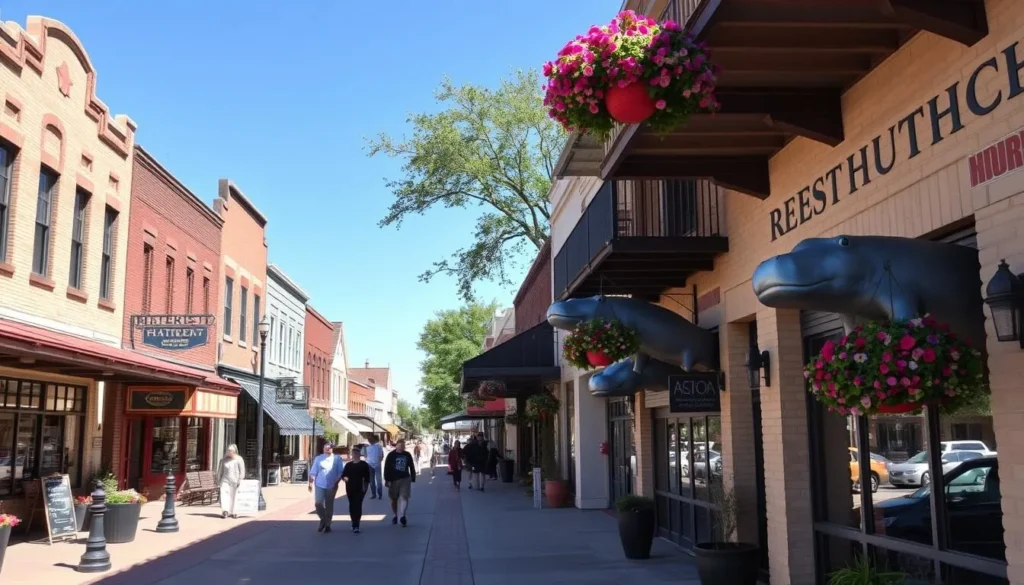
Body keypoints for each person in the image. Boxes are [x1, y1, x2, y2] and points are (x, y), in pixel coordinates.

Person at [308, 442, 344, 533]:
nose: (328, 450)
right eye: (326, 448)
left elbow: (340, 472)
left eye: (330, 448)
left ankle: (328, 524)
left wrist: (337, 482)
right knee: (318, 503)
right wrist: (310, 483)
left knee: (329, 504)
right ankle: (323, 519)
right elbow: (313, 472)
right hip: (320, 484)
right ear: (323, 449)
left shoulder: (337, 459)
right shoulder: (318, 458)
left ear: (332, 449)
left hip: (332, 485)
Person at [383, 439, 417, 527]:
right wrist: (387, 479)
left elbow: (411, 466)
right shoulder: (391, 455)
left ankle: (402, 516)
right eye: (400, 445)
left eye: (403, 446)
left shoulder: (407, 455)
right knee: (394, 499)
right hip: (393, 480)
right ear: (396, 445)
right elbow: (386, 467)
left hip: (405, 478)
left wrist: (413, 476)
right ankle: (395, 515)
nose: (402, 447)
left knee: (404, 497)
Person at [341, 446, 372, 533]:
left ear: (359, 454)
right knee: (351, 505)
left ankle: (356, 524)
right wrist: (345, 478)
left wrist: (365, 488)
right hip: (350, 488)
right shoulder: (348, 465)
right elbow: (343, 475)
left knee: (358, 505)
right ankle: (353, 521)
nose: (354, 454)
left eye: (356, 453)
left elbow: (367, 478)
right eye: (353, 453)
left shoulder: (364, 465)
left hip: (360, 488)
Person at [216, 444, 245, 519]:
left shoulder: (239, 459)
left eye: (231, 450)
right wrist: (218, 479)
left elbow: (242, 471)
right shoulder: (223, 460)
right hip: (225, 479)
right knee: (224, 494)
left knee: (234, 495)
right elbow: (220, 471)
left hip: (235, 480)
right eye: (228, 450)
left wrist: (240, 479)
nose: (229, 452)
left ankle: (234, 511)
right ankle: (225, 510)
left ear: (234, 451)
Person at [363, 435, 385, 499]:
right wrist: (364, 449)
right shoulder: (367, 447)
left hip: (377, 465)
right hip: (369, 465)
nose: (369, 440)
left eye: (370, 438)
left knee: (378, 480)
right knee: (372, 480)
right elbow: (365, 456)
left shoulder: (378, 446)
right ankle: (373, 494)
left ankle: (379, 494)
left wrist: (379, 462)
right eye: (368, 439)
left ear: (374, 439)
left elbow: (382, 455)